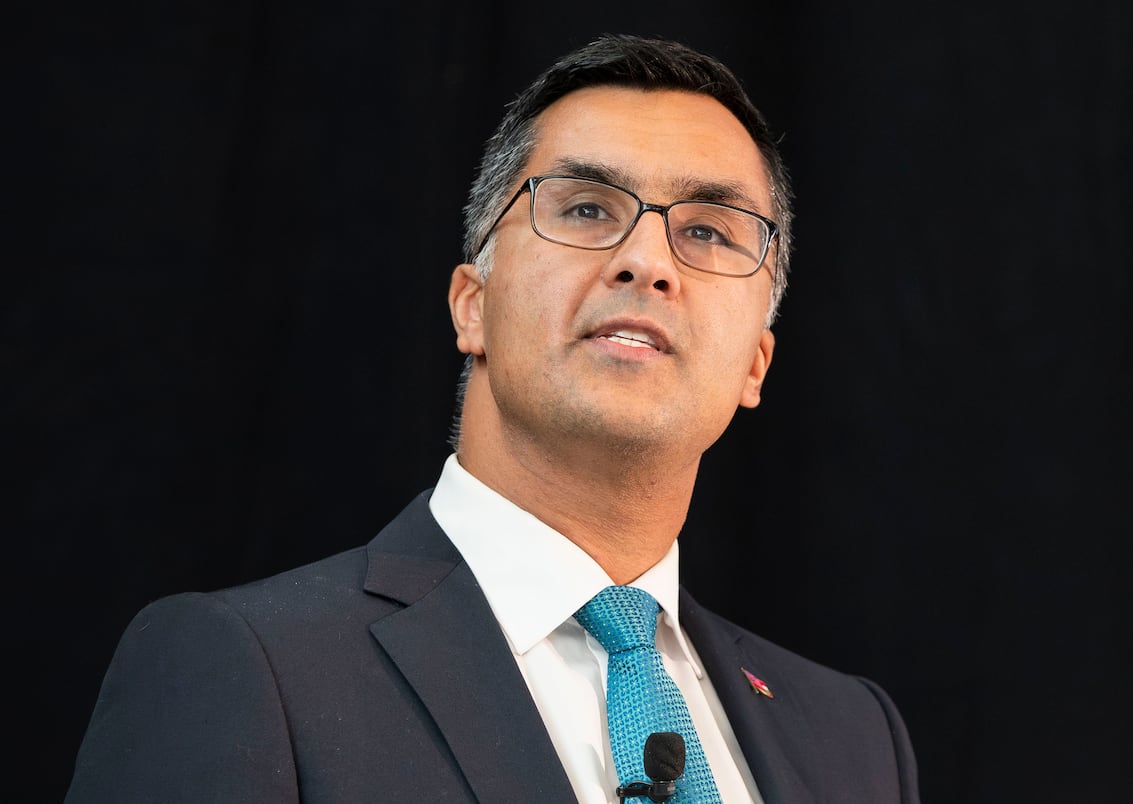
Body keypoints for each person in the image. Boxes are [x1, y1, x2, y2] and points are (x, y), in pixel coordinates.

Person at [66, 34, 921, 803]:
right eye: (587, 208)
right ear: (471, 306)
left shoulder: (852, 736)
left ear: (755, 364)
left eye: (707, 232)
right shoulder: (243, 669)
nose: (646, 261)